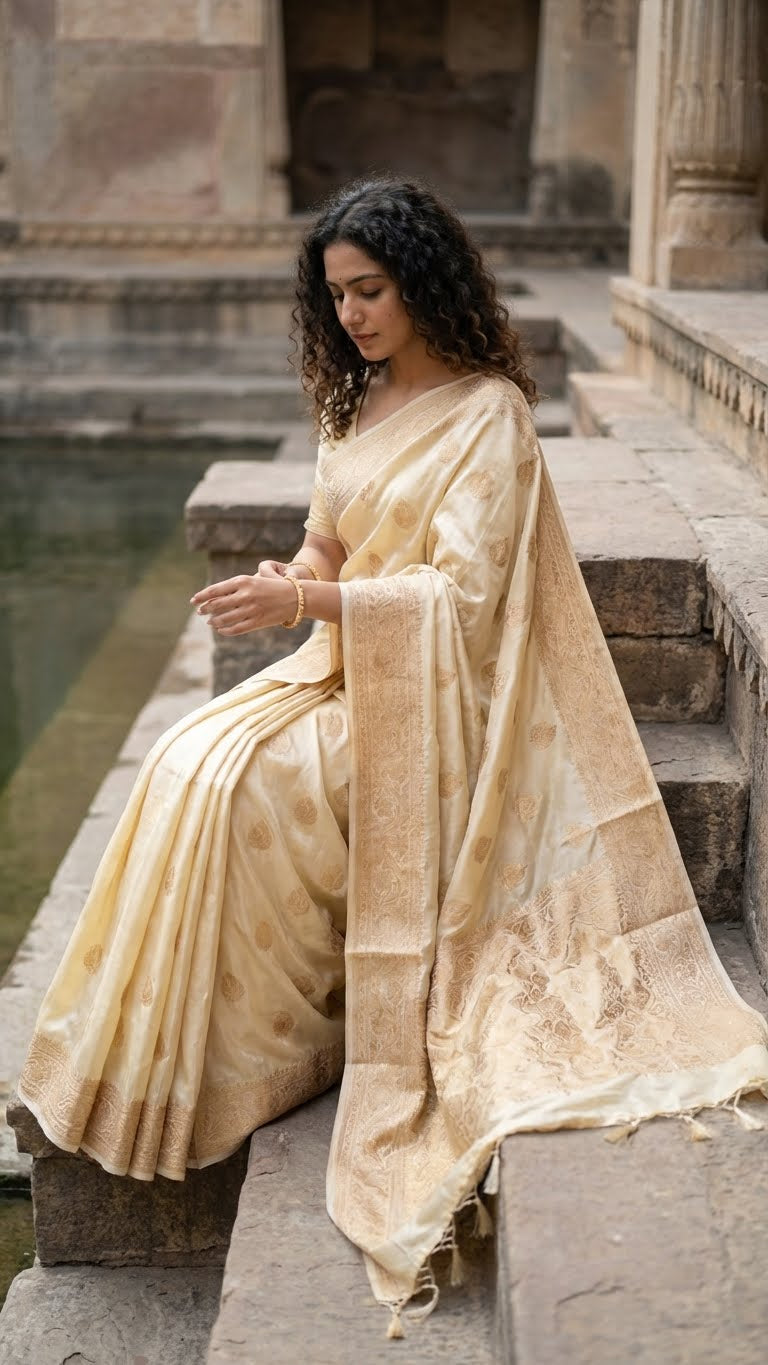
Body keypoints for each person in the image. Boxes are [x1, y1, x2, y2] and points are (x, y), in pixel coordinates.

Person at [16, 178, 768, 1337]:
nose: (355, 315)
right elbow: (330, 532)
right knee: (187, 759)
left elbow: (465, 604)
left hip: (445, 711)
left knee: (246, 788)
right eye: (337, 296)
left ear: (424, 280)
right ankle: (160, 1075)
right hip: (346, 671)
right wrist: (288, 579)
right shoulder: (351, 402)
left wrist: (309, 597)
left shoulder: (488, 417)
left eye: (371, 290)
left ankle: (267, 1051)